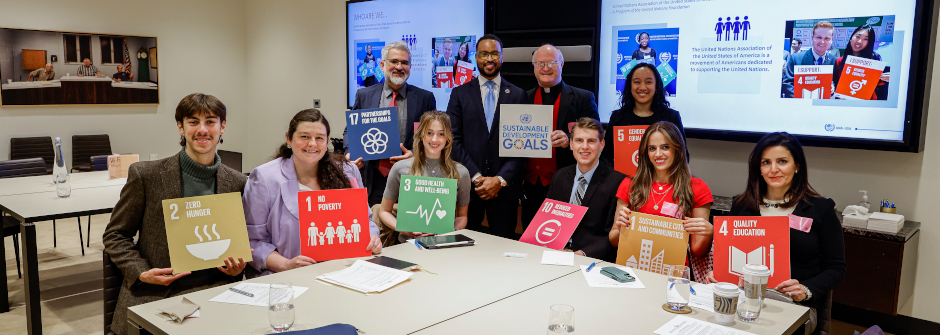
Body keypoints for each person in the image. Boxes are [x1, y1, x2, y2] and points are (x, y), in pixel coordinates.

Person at [103, 93, 249, 335]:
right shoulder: (146, 176)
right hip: (159, 295)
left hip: (217, 292)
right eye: (193, 122)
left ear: (222, 127)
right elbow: (115, 235)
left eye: (210, 121)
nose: (202, 129)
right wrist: (140, 271)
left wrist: (238, 269)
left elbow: (239, 243)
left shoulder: (238, 182)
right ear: (181, 128)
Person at [711, 132, 845, 334]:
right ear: (759, 168)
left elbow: (836, 268)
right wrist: (719, 274)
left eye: (782, 161)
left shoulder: (820, 209)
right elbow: (728, 255)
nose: (774, 170)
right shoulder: (741, 205)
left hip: (793, 307)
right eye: (766, 162)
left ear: (797, 165)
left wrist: (805, 289)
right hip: (742, 301)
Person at [244, 109, 382, 278]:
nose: (312, 144)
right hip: (286, 278)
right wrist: (286, 265)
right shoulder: (265, 178)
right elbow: (252, 241)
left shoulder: (348, 171)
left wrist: (373, 238)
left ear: (327, 141)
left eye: (319, 138)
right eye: (304, 137)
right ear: (289, 139)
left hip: (344, 272)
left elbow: (366, 221)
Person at [608, 121, 714, 281]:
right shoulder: (630, 184)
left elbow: (698, 251)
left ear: (677, 149)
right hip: (629, 273)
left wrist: (709, 232)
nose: (658, 154)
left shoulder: (697, 188)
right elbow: (614, 240)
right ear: (645, 152)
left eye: (665, 147)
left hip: (673, 276)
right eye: (652, 148)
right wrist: (620, 228)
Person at [447, 34, 526, 239]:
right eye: (484, 54)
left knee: (504, 249)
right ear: (476, 57)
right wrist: (477, 177)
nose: (489, 59)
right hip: (468, 188)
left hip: (505, 191)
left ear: (502, 57)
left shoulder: (518, 95)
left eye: (494, 54)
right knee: (465, 247)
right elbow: (453, 140)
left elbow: (524, 145)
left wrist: (499, 180)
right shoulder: (459, 94)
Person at [345, 41, 437, 206]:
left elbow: (432, 137)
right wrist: (350, 153)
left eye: (404, 63)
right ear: (382, 64)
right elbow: (349, 131)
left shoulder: (425, 98)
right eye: (394, 61)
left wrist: (416, 154)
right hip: (372, 176)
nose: (399, 67)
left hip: (409, 177)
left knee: (407, 229)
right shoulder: (364, 95)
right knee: (373, 225)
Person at [521, 44, 599, 231]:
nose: (545, 68)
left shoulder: (583, 97)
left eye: (551, 63)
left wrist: (570, 139)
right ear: (533, 66)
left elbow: (596, 133)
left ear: (562, 64)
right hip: (530, 186)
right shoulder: (523, 98)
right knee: (530, 238)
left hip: (567, 184)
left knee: (562, 238)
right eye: (540, 63)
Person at [378, 111, 471, 240]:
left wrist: (451, 231)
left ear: (448, 138)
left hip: (444, 246)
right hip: (407, 246)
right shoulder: (400, 168)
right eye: (429, 133)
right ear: (421, 134)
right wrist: (402, 228)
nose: (434, 139)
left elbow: (462, 216)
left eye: (441, 134)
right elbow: (384, 211)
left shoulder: (461, 173)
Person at [544, 117, 624, 262]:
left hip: (590, 259)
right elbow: (547, 219)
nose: (584, 146)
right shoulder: (559, 176)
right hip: (555, 252)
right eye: (579, 140)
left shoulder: (617, 182)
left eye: (591, 141)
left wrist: (581, 254)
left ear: (602, 145)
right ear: (571, 144)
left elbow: (612, 236)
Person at [601, 63, 686, 167]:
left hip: (661, 181)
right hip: (624, 181)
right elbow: (606, 158)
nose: (642, 87)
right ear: (630, 85)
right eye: (637, 82)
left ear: (656, 86)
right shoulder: (617, 117)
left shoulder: (671, 117)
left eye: (648, 82)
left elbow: (683, 156)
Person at [833, 25, 888, 100]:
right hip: (843, 101)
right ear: (851, 38)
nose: (859, 41)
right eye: (858, 36)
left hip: (866, 102)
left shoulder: (874, 59)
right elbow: (836, 83)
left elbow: (878, 82)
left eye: (865, 39)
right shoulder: (840, 61)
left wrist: (887, 78)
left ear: (869, 43)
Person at [783, 21, 836, 98]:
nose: (822, 42)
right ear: (812, 38)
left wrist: (833, 87)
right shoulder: (796, 58)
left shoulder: (834, 60)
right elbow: (787, 85)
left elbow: (837, 83)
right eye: (819, 37)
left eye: (827, 38)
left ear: (831, 40)